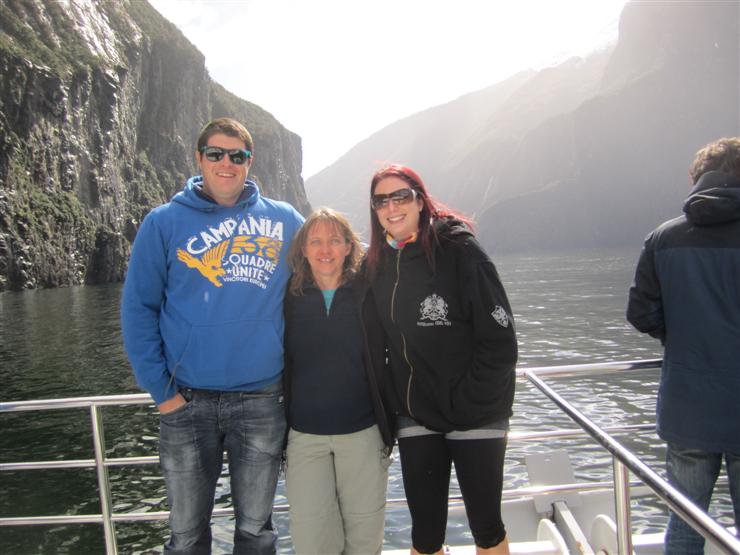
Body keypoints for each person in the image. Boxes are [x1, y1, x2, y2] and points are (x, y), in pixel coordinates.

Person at [120, 117, 304, 554]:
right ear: (199, 158)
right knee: (185, 536)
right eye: (216, 154)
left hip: (262, 400)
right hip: (187, 403)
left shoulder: (285, 220)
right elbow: (137, 310)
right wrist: (163, 394)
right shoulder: (162, 223)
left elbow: (333, 262)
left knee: (257, 531)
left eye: (237, 156)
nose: (227, 163)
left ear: (249, 162)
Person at [364, 164, 517, 555]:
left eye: (401, 196)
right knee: (425, 534)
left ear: (419, 199)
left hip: (476, 411)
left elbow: (500, 341)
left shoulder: (460, 250)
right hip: (416, 414)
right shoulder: (380, 265)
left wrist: (468, 401)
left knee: (485, 526)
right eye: (381, 200)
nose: (391, 206)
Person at [626, 137, 740, 553]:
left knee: (687, 525)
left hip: (689, 406)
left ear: (697, 179)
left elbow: (640, 314)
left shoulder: (664, 238)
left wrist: (681, 336)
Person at [282, 207, 393, 555]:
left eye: (334, 240)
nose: (324, 249)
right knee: (312, 542)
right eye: (315, 241)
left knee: (364, 541)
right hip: (304, 438)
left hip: (362, 433)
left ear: (349, 246)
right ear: (303, 249)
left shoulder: (369, 290)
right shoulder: (287, 296)